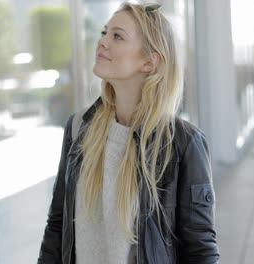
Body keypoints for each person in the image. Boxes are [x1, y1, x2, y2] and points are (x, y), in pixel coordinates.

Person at [38, 3, 219, 263]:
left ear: (148, 61)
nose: (102, 42)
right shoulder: (78, 129)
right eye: (104, 32)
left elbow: (200, 250)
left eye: (117, 36)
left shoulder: (183, 143)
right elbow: (57, 225)